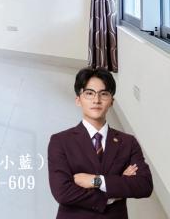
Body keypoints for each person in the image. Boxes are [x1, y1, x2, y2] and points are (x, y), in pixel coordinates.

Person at [47, 67, 153, 218]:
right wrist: (114, 191)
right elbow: (62, 192)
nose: (96, 100)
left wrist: (96, 181)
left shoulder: (128, 142)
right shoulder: (60, 141)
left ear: (112, 101)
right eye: (89, 93)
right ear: (78, 100)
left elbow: (144, 185)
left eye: (103, 94)